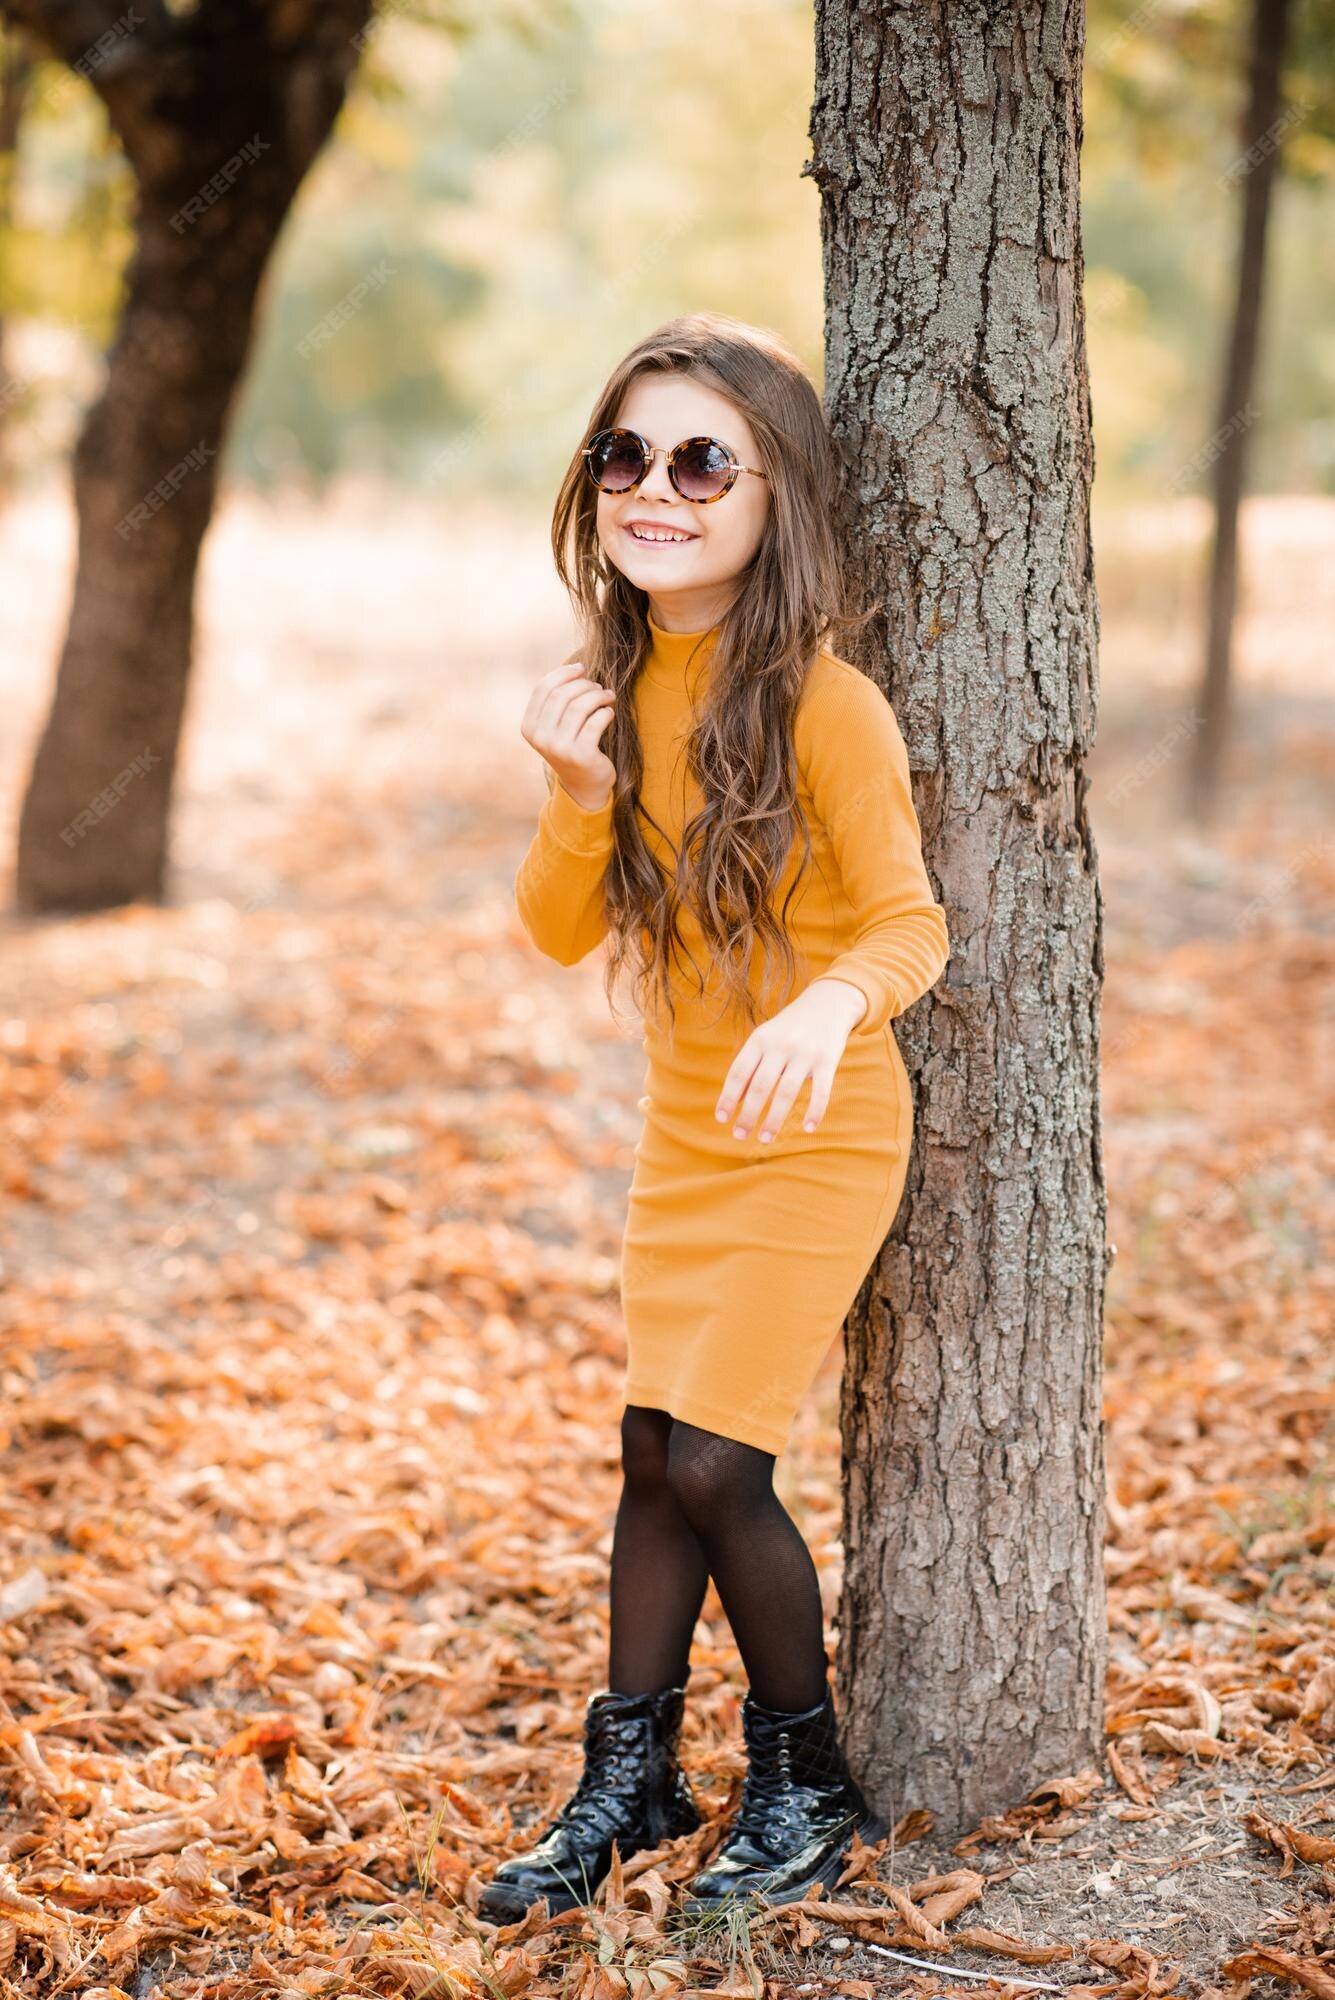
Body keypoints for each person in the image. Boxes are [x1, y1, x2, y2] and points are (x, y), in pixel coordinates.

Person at [482, 311, 950, 1925]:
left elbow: (910, 925)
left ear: (775, 498)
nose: (654, 487)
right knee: (645, 1458)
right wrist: (575, 795)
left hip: (819, 1133)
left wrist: (828, 1004)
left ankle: (804, 1778)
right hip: (686, 1130)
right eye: (625, 455)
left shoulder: (830, 707)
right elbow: (555, 927)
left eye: (701, 459)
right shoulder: (612, 692)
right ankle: (629, 1782)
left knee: (716, 1466)